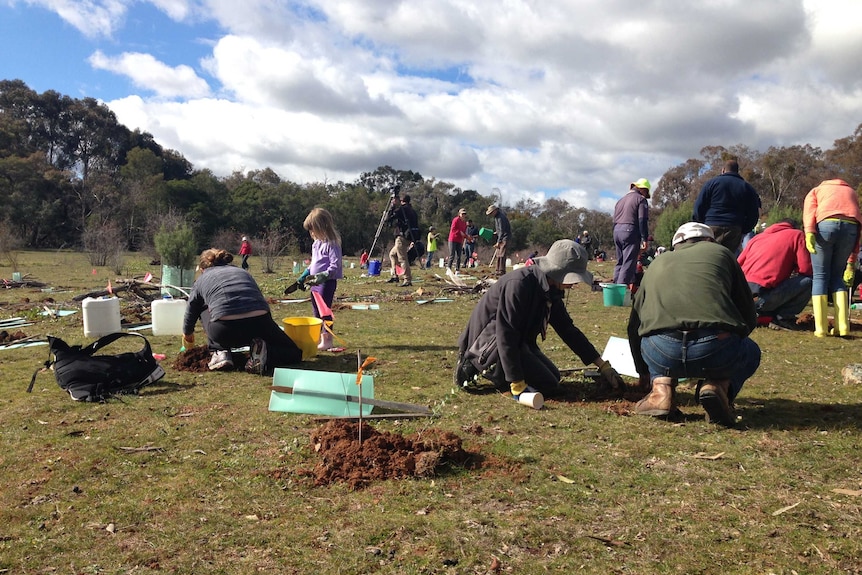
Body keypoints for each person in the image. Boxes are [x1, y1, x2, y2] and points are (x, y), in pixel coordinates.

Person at [455, 239, 625, 403]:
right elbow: (506, 334)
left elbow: (567, 330)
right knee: (548, 385)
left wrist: (601, 365)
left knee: (554, 376)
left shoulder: (550, 289)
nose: (574, 284)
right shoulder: (520, 285)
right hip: (488, 351)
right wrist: (516, 382)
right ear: (558, 272)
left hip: (518, 344)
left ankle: (512, 373)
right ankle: (496, 374)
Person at [628, 223, 760, 426]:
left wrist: (644, 371)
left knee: (652, 336)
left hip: (661, 351)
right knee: (751, 351)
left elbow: (634, 325)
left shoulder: (657, 261)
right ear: (709, 240)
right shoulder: (722, 254)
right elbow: (748, 312)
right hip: (715, 346)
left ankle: (661, 390)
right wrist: (734, 340)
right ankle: (718, 386)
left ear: (676, 244)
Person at [182, 248, 302, 374]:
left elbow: (192, 309)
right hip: (260, 326)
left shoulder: (202, 279)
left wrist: (187, 333)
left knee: (202, 306)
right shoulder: (242, 272)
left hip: (225, 331)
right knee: (293, 352)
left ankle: (220, 352)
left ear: (202, 269)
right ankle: (266, 354)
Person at [803, 178, 862, 337]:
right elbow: (858, 224)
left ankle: (820, 328)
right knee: (837, 276)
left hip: (826, 225)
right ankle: (843, 327)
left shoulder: (816, 191)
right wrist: (851, 263)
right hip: (851, 228)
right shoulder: (851, 192)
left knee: (820, 276)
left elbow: (809, 212)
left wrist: (809, 232)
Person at [737, 219, 813, 330]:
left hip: (741, 296)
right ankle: (783, 318)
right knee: (809, 281)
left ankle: (761, 314)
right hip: (761, 297)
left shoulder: (757, 238)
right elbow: (806, 269)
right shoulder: (796, 235)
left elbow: (738, 264)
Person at [296, 207, 343, 351]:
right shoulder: (316, 243)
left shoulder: (332, 243)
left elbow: (335, 265)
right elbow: (314, 263)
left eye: (313, 229)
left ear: (322, 227)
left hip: (326, 283)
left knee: (325, 312)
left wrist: (323, 276)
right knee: (316, 311)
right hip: (314, 283)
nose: (311, 232)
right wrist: (305, 274)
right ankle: (318, 337)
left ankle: (327, 339)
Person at [693, 159, 761, 254]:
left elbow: (699, 206)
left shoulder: (711, 183)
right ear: (737, 171)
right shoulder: (747, 188)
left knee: (709, 255)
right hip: (734, 226)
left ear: (723, 170)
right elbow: (753, 213)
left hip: (712, 225)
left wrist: (701, 224)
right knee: (728, 257)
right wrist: (744, 229)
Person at [612, 178, 651, 287]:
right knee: (628, 262)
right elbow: (642, 219)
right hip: (630, 230)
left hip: (616, 231)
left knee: (620, 261)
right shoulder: (641, 200)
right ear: (643, 189)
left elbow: (614, 220)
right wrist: (644, 238)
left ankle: (614, 288)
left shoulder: (620, 200)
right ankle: (621, 290)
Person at [387, 193, 420, 287]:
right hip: (410, 236)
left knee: (402, 258)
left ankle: (407, 279)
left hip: (402, 237)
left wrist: (392, 206)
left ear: (401, 201)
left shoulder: (402, 209)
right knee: (392, 254)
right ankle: (394, 275)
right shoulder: (412, 211)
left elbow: (388, 218)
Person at [486, 204, 512, 276]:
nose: (491, 214)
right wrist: (496, 233)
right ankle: (497, 270)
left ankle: (501, 271)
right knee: (498, 254)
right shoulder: (496, 217)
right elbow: (499, 230)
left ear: (495, 210)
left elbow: (502, 230)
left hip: (505, 237)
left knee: (502, 254)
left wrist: (498, 242)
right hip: (501, 236)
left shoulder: (500, 217)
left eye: (491, 212)